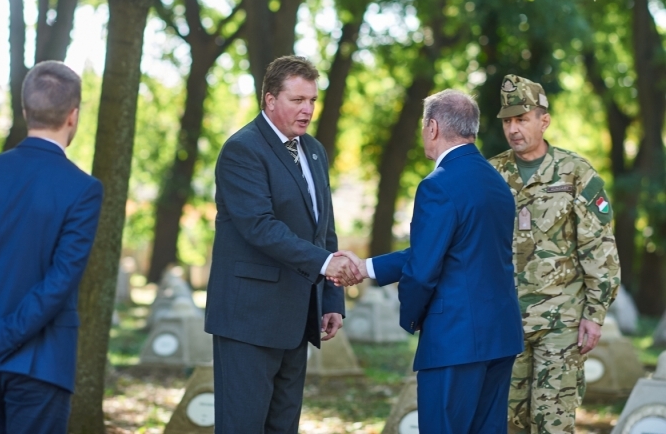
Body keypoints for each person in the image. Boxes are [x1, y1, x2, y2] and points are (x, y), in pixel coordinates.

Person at [332, 90, 524, 433]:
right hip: (501, 336)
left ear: (432, 127)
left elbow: (422, 271)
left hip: (454, 339)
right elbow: (452, 250)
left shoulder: (438, 185)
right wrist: (366, 268)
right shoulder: (497, 182)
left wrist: (414, 317)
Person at [0, 61, 103, 434]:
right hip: (41, 361)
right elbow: (59, 282)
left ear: (25, 111)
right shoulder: (83, 188)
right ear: (73, 116)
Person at [204, 55, 359, 433]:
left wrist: (331, 298)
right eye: (297, 100)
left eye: (313, 100)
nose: (308, 109)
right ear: (270, 99)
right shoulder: (242, 149)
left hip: (299, 318)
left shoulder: (315, 151)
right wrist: (325, 263)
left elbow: (325, 229)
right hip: (248, 321)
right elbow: (260, 226)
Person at [488, 74, 620, 434]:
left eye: (521, 119)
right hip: (504, 321)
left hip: (561, 323)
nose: (513, 129)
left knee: (553, 423)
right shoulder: (491, 173)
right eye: (507, 121)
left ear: (543, 120)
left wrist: (595, 315)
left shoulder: (575, 173)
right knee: (505, 422)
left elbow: (599, 248)